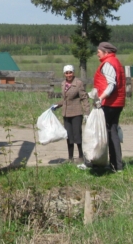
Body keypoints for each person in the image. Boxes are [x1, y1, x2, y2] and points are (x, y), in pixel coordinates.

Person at [92, 42, 126, 172]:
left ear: (106, 52)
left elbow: (111, 84)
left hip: (110, 103)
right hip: (117, 102)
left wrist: (101, 98)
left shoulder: (108, 64)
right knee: (112, 132)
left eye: (99, 51)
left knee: (107, 133)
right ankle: (115, 164)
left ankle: (112, 164)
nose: (97, 54)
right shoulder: (115, 61)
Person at [51, 64, 89, 163]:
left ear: (73, 72)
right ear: (64, 74)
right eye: (67, 73)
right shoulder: (63, 84)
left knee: (77, 135)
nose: (69, 75)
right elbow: (65, 99)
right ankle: (70, 158)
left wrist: (87, 113)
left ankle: (81, 156)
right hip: (66, 113)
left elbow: (84, 98)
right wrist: (56, 105)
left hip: (76, 113)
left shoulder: (78, 83)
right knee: (68, 136)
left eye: (70, 72)